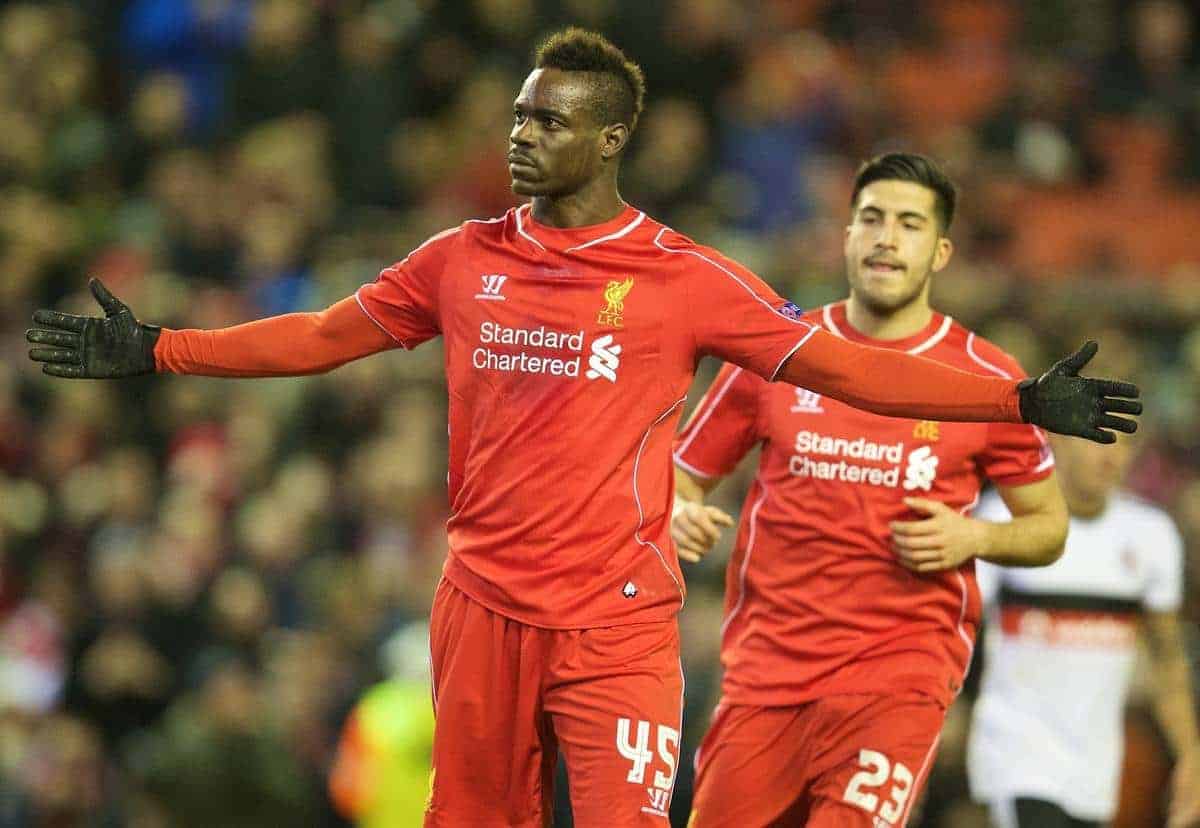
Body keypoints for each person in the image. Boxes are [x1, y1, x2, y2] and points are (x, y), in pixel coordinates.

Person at [26, 30, 1140, 826]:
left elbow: (852, 370)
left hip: (614, 624)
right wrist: (164, 347)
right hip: (479, 608)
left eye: (548, 120)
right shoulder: (463, 258)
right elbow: (321, 337)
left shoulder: (684, 278)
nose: (520, 134)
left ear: (608, 141)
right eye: (518, 113)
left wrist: (1017, 401)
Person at [671, 153, 1073, 827]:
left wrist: (973, 535)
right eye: (871, 219)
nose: (887, 237)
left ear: (940, 251)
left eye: (910, 224)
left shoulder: (986, 378)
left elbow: (1049, 527)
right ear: (847, 235)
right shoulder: (780, 353)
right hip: (765, 675)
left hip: (898, 679)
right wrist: (678, 510)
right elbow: (681, 475)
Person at [968, 430, 1200, 828]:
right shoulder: (1001, 520)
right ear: (1056, 440)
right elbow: (957, 633)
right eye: (1098, 439)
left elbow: (1168, 663)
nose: (1112, 457)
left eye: (1125, 443)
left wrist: (1189, 756)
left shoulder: (1151, 535)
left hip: (1096, 773)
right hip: (1017, 757)